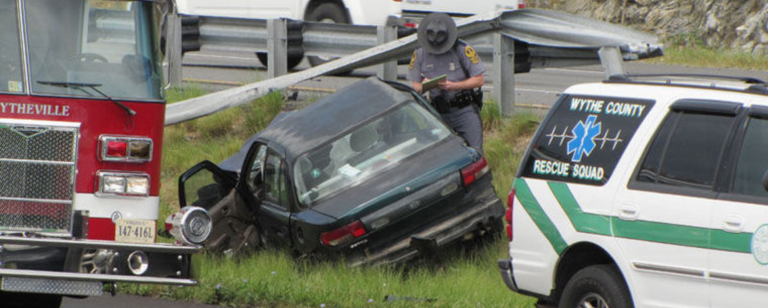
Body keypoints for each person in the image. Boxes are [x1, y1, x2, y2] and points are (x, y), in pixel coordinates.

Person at [408, 13, 486, 154]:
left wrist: (454, 86)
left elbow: (479, 79)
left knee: (476, 152)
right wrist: (426, 85)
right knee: (441, 154)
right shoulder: (419, 53)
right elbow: (415, 86)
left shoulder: (462, 49)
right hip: (438, 113)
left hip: (463, 109)